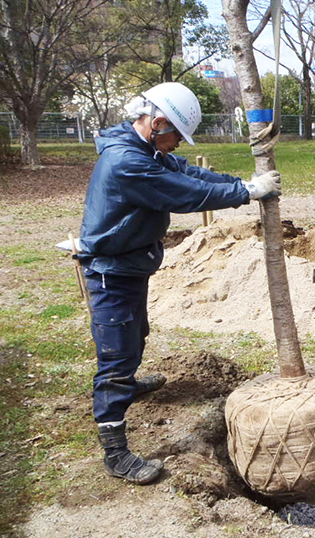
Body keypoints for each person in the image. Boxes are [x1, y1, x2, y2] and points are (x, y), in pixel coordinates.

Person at [76, 82, 280, 485]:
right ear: (157, 123)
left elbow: (188, 172)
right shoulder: (127, 162)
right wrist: (245, 192)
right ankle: (115, 451)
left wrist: (239, 182)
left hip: (129, 263)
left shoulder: (146, 149)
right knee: (115, 354)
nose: (175, 145)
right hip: (109, 270)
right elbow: (184, 193)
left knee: (136, 333)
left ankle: (129, 384)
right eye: (175, 135)